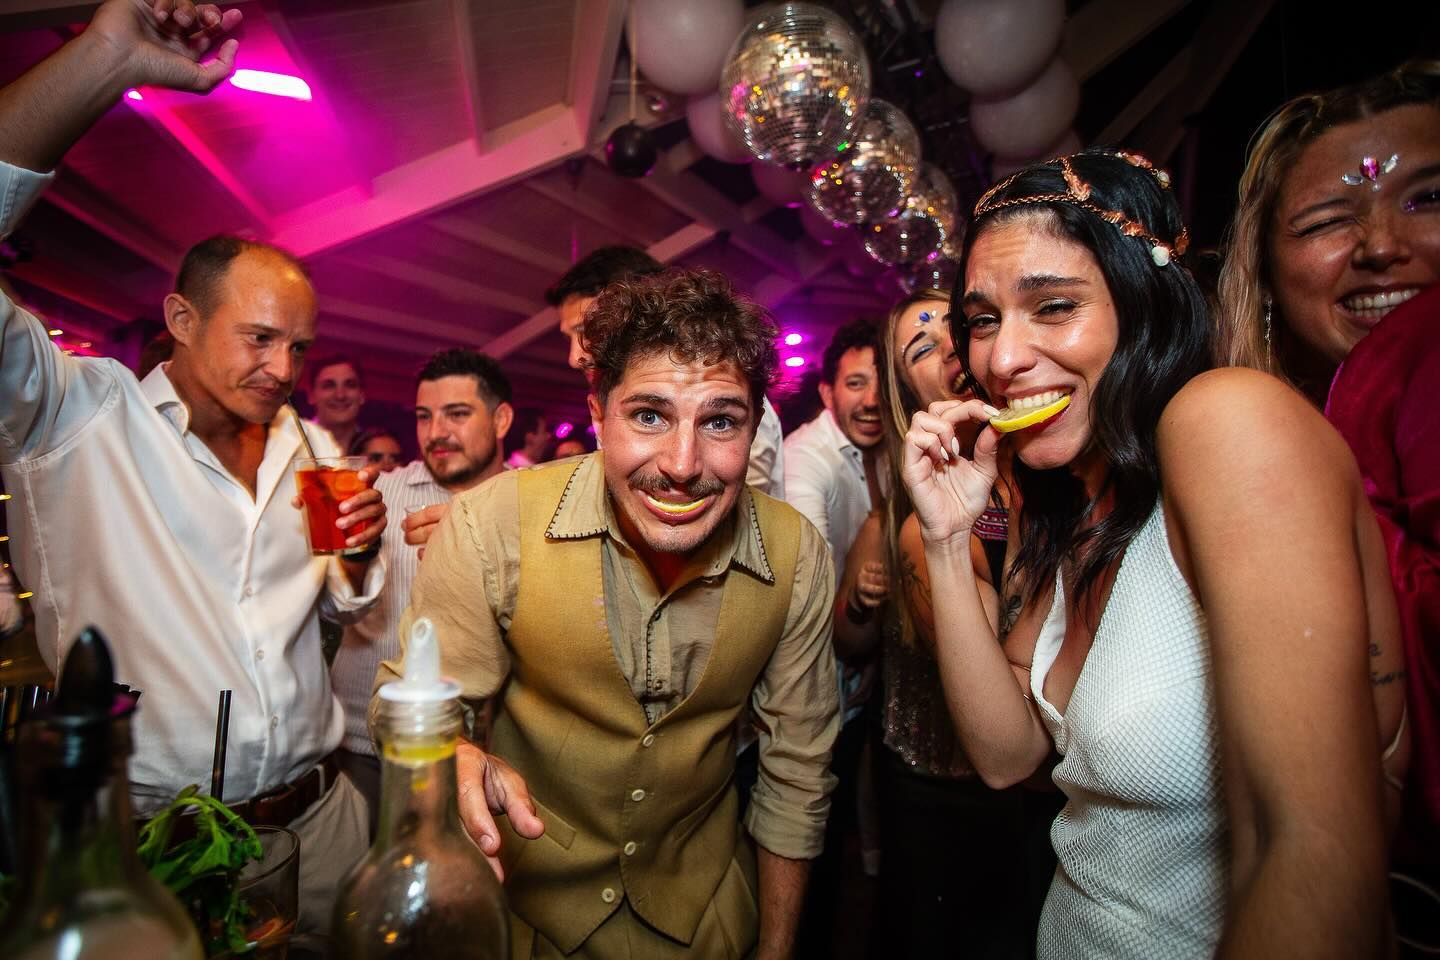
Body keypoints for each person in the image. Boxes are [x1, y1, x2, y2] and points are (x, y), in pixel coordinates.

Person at [903, 149, 1401, 958]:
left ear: (1148, 307)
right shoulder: (1070, 506)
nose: (1000, 360)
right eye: (985, 319)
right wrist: (946, 537)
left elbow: (1313, 853)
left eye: (1054, 306)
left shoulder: (1229, 421)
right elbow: (1006, 756)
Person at [0, 0, 386, 931]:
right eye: (260, 338)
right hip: (146, 845)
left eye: (298, 347)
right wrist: (104, 57)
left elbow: (338, 602)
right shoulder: (75, 416)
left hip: (324, 823)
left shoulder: (309, 446)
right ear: (180, 320)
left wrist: (363, 558)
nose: (283, 369)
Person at [377, 268, 840, 959]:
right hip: (525, 920)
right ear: (598, 414)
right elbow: (403, 700)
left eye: (719, 421)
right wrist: (454, 751)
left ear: (755, 427)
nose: (682, 465)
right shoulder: (492, 521)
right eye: (648, 416)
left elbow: (797, 776)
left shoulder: (796, 553)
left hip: (707, 917)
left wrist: (774, 951)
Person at [1216, 63, 1440, 897]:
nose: (1381, 245)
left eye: (1427, 198)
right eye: (1326, 220)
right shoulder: (1251, 434)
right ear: (1267, 274)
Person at [841, 288, 1042, 957]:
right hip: (944, 796)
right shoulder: (918, 526)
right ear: (910, 396)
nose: (952, 344)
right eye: (922, 346)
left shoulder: (1046, 472)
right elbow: (1004, 703)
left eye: (962, 325)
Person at [332, 349, 512, 828]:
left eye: (456, 414)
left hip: (482, 755)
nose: (436, 433)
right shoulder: (380, 492)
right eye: (424, 416)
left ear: (501, 419)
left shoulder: (525, 505)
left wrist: (480, 533)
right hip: (365, 748)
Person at [779, 317, 885, 957]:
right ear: (826, 393)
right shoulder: (805, 460)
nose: (870, 399)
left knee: (836, 834)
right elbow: (809, 591)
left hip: (858, 683)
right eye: (854, 383)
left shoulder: (882, 453)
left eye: (879, 383)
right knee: (805, 853)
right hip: (814, 695)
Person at [548, 245, 788, 498]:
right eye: (647, 417)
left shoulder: (723, 395)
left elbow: (740, 518)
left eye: (587, 331)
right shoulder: (616, 399)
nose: (575, 358)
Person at [307, 354, 366, 452]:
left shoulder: (378, 451)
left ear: (362, 395)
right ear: (311, 396)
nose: (340, 395)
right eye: (329, 386)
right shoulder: (292, 445)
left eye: (350, 385)